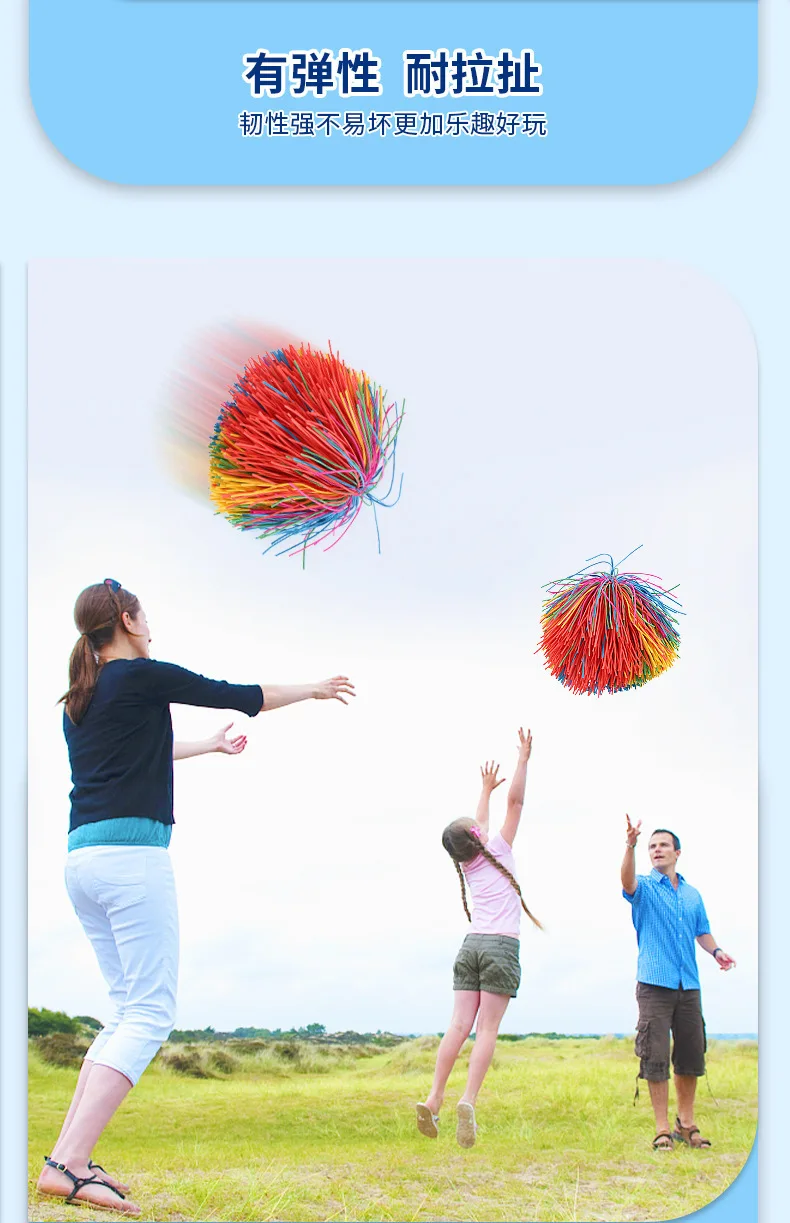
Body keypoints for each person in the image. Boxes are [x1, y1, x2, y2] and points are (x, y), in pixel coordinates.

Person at [37, 579, 355, 1214]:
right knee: (151, 1014)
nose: (150, 625)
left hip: (83, 861)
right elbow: (241, 695)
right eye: (144, 614)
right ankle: (70, 1163)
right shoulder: (142, 675)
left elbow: (139, 753)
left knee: (124, 1010)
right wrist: (314, 688)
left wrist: (208, 745)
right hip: (131, 860)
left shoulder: (81, 697)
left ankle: (64, 1160)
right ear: (127, 619)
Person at [416, 728, 541, 1149]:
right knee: (486, 1029)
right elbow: (516, 803)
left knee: (458, 1025)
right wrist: (522, 760)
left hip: (469, 946)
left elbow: (478, 824)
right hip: (500, 946)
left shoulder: (468, 863)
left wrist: (484, 790)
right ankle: (468, 1100)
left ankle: (434, 1098)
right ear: (477, 838)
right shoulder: (499, 848)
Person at [621, 817, 736, 1152]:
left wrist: (716, 951)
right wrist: (629, 845)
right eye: (652, 846)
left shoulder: (691, 894)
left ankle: (686, 1125)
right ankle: (661, 1130)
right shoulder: (644, 888)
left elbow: (702, 930)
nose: (657, 850)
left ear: (677, 853)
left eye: (663, 845)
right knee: (655, 1056)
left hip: (689, 985)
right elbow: (626, 881)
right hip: (654, 983)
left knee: (690, 1056)